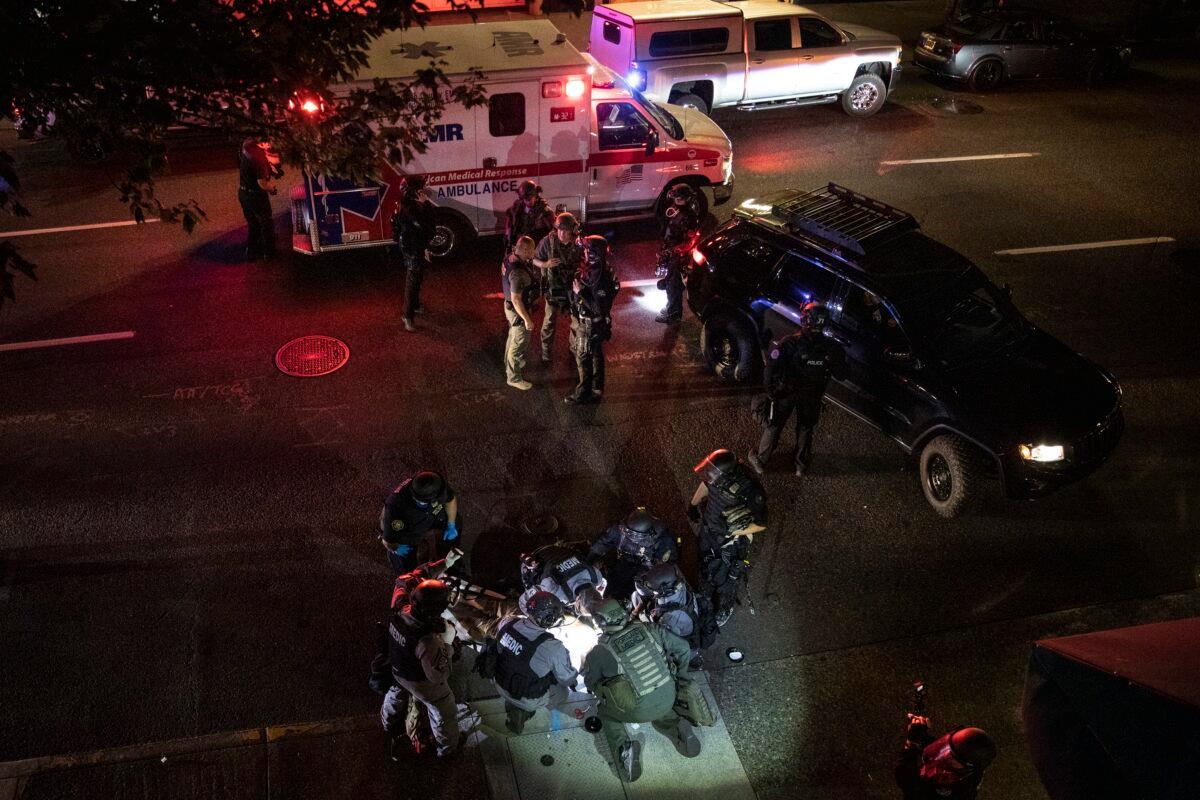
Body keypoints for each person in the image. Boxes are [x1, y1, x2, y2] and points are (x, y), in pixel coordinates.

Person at [582, 598, 701, 783]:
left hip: (637, 711)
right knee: (657, 704)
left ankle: (625, 750)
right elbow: (684, 648)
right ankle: (679, 728)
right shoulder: (650, 629)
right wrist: (682, 676)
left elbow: (590, 683)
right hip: (669, 696)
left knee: (606, 714)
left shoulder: (600, 651)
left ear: (601, 622)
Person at [748, 301, 846, 477]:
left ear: (807, 320)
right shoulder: (833, 348)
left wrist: (771, 392)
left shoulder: (790, 343)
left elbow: (771, 367)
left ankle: (761, 461)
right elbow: (841, 374)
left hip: (787, 392)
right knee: (805, 428)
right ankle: (800, 465)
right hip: (813, 395)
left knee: (775, 425)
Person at [381, 579, 461, 759]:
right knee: (444, 708)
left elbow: (401, 582)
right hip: (419, 682)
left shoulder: (400, 610)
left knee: (394, 696)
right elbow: (438, 675)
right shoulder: (426, 640)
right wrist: (447, 644)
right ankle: (447, 749)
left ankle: (388, 724)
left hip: (397, 669)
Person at [688, 449, 767, 627]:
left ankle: (725, 604)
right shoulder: (716, 475)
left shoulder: (749, 488)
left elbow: (761, 523)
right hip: (710, 530)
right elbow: (706, 484)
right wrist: (693, 504)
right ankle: (705, 590)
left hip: (731, 541)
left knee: (728, 579)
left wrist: (732, 532)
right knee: (705, 563)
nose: (710, 478)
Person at [492, 590, 580, 734]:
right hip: (525, 696)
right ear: (549, 618)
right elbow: (567, 678)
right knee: (562, 692)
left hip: (499, 682)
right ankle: (525, 711)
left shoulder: (507, 622)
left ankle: (514, 704)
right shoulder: (552, 647)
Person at [564, 235, 620, 405]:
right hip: (594, 324)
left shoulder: (599, 276)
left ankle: (583, 393)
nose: (585, 252)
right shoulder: (597, 267)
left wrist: (580, 292)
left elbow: (599, 308)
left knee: (583, 358)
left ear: (594, 253)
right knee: (595, 354)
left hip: (590, 324)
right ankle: (597, 388)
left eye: (588, 249)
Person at [587, 507, 679, 604]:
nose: (627, 536)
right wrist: (588, 562)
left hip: (646, 571)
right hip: (625, 562)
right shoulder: (622, 529)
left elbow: (667, 566)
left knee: (633, 595)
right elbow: (603, 543)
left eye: (632, 535)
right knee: (612, 585)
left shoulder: (662, 540)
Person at [631, 563, 712, 670]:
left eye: (654, 590)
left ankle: (691, 659)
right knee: (637, 596)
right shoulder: (679, 584)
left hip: (684, 644)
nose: (652, 591)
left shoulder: (671, 618)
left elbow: (666, 643)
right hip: (686, 621)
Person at [378, 470, 460, 576]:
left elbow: (450, 499)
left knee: (456, 521)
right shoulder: (396, 507)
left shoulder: (434, 484)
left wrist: (451, 524)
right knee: (409, 573)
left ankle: (449, 562)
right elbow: (388, 540)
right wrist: (396, 549)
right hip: (407, 532)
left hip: (430, 516)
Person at [897, 715, 997, 799]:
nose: (944, 756)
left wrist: (910, 745)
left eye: (951, 758)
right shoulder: (967, 766)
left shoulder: (961, 790)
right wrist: (922, 737)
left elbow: (907, 780)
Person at [533, 212, 583, 363]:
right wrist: (545, 264)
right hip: (553, 290)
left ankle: (574, 349)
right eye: (559, 229)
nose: (561, 233)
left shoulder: (579, 244)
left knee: (576, 323)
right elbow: (534, 259)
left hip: (572, 292)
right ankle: (546, 351)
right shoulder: (548, 242)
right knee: (549, 323)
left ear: (572, 230)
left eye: (565, 229)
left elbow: (588, 264)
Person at [391, 175, 437, 332]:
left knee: (418, 277)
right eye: (420, 190)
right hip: (412, 249)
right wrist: (425, 205)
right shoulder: (411, 209)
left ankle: (415, 305)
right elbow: (426, 225)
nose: (424, 192)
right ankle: (407, 316)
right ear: (414, 193)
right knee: (413, 280)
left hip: (416, 246)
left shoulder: (411, 205)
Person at [654, 184, 701, 324]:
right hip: (671, 253)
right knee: (669, 282)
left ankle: (673, 314)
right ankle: (671, 307)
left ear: (686, 199)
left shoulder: (690, 218)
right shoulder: (676, 210)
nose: (675, 202)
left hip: (679, 258)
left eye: (679, 199)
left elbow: (690, 242)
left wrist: (673, 251)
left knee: (673, 285)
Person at [521, 544, 608, 617]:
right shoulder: (560, 595)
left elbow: (602, 583)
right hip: (541, 556)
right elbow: (540, 589)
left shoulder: (596, 577)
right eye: (578, 607)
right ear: (578, 599)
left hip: (561, 550)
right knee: (531, 582)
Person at [502, 235, 540, 390]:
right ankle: (514, 377)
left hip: (510, 308)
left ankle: (509, 362)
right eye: (532, 249)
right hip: (518, 310)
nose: (534, 252)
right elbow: (517, 299)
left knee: (513, 336)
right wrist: (527, 319)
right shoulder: (518, 272)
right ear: (524, 249)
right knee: (519, 342)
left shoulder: (509, 258)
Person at [237, 138, 279, 260]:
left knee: (253, 223)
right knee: (266, 223)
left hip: (243, 193)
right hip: (256, 195)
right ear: (263, 143)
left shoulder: (246, 145)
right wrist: (272, 189)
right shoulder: (259, 158)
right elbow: (262, 183)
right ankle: (269, 253)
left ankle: (252, 248)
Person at [503, 180, 554, 255]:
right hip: (520, 247)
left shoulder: (544, 211)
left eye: (530, 198)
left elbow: (552, 232)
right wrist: (508, 241)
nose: (527, 201)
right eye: (525, 199)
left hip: (537, 248)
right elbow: (510, 227)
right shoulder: (516, 209)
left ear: (536, 195)